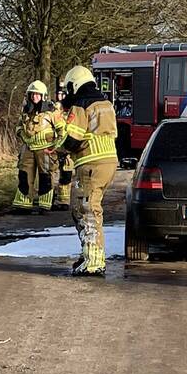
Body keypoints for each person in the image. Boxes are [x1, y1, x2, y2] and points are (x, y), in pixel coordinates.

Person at [57, 65, 118, 276]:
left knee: (87, 210)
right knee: (84, 207)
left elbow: (73, 139)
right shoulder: (106, 103)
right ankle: (89, 253)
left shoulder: (81, 104)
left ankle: (93, 261)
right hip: (109, 161)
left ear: (75, 84)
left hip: (91, 162)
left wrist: (59, 148)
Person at [13, 80, 64, 213]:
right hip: (28, 148)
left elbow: (62, 131)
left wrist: (55, 147)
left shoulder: (52, 111)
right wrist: (22, 135)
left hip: (45, 149)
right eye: (32, 94)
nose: (35, 97)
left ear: (43, 96)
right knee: (24, 175)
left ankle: (44, 205)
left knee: (45, 177)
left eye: (38, 94)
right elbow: (18, 126)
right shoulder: (26, 111)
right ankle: (23, 204)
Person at [51, 98, 73, 211]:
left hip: (68, 151)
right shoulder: (56, 114)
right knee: (53, 175)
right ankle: (52, 199)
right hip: (56, 150)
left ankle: (64, 201)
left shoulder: (75, 113)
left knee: (66, 177)